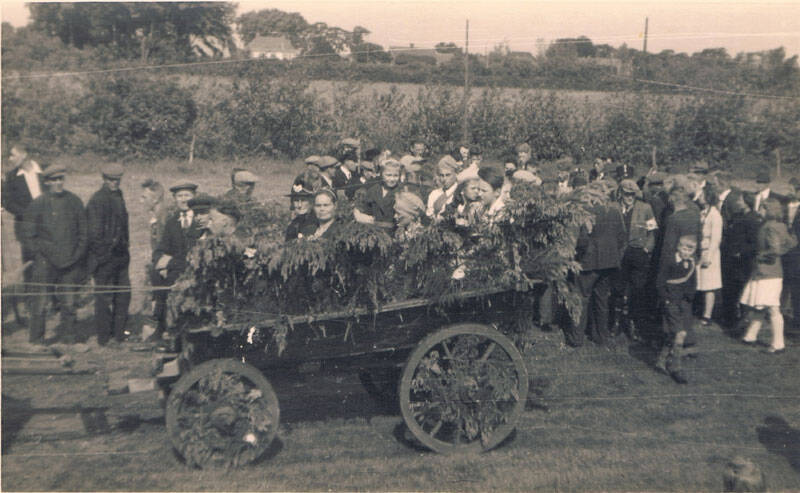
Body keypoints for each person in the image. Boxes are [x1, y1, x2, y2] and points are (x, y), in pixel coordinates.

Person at [20, 166, 87, 346]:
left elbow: (83, 233)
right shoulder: (38, 204)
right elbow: (28, 235)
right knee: (40, 303)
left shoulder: (74, 201)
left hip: (70, 262)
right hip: (45, 263)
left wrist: (76, 255)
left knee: (69, 302)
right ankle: (37, 341)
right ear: (47, 182)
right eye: (54, 180)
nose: (58, 183)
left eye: (61, 179)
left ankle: (69, 338)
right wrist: (42, 254)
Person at [566, 181, 627, 347]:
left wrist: (575, 256)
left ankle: (576, 338)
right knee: (602, 300)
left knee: (580, 298)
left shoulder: (584, 212)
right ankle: (601, 336)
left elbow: (582, 240)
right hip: (609, 263)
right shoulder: (614, 211)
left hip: (587, 262)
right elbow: (622, 237)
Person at [740, 198, 797, 354]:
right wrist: (780, 251)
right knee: (761, 306)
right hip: (769, 272)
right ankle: (750, 336)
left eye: (762, 208)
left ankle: (778, 344)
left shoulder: (770, 227)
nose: (759, 211)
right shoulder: (780, 225)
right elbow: (792, 242)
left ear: (769, 210)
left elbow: (775, 249)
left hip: (768, 273)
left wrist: (761, 256)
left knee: (772, 308)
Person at [86, 163, 130, 346]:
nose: (114, 183)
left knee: (123, 294)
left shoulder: (119, 195)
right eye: (111, 180)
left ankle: (119, 334)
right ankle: (104, 337)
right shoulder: (97, 200)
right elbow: (93, 233)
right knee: (104, 297)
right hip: (105, 257)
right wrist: (103, 255)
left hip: (121, 255)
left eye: (117, 180)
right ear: (104, 179)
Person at [151, 182, 202, 340]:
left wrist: (170, 263)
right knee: (158, 277)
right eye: (180, 196)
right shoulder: (172, 222)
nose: (183, 199)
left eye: (187, 195)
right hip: (176, 271)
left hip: (196, 270)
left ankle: (179, 331)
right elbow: (161, 249)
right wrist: (161, 264)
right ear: (174, 199)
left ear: (194, 197)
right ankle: (163, 327)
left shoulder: (201, 220)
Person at [609, 179, 658, 340]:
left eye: (632, 194)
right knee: (617, 289)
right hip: (619, 254)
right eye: (626, 194)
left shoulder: (645, 208)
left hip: (638, 253)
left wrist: (646, 249)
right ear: (620, 194)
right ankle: (616, 322)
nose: (629, 197)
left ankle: (633, 324)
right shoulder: (613, 207)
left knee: (637, 290)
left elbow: (652, 233)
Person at [655, 235, 698, 383]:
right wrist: (665, 299)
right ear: (679, 247)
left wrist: (689, 297)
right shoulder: (669, 261)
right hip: (670, 302)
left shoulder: (691, 263)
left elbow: (692, 283)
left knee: (673, 333)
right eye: (684, 249)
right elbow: (660, 282)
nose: (686, 252)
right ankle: (675, 368)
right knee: (680, 334)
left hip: (683, 304)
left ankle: (661, 360)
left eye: (690, 250)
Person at [720, 191, 762, 330]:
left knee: (740, 290)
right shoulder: (738, 216)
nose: (738, 202)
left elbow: (754, 243)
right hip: (730, 259)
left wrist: (741, 252)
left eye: (740, 200)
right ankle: (729, 318)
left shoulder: (753, 219)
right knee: (729, 289)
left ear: (747, 202)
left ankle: (739, 321)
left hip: (742, 262)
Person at [2, 144, 44, 280]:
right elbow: (7, 202)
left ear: (24, 154)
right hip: (26, 227)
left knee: (50, 261)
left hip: (49, 224)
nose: (10, 159)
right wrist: (28, 213)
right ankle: (30, 292)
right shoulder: (11, 177)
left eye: (13, 155)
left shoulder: (44, 170)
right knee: (29, 264)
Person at [696, 183, 723, 326]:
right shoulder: (703, 212)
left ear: (708, 197)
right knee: (701, 282)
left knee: (709, 285)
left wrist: (709, 257)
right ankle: (700, 310)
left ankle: (707, 315)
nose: (699, 197)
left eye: (701, 195)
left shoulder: (715, 215)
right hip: (701, 251)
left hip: (709, 253)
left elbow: (716, 239)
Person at [354, 159, 401, 228]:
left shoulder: (401, 192)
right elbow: (363, 208)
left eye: (396, 176)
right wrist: (362, 216)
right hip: (373, 229)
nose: (392, 179)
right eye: (388, 175)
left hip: (394, 230)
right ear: (382, 175)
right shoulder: (374, 190)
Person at [285, 172, 319, 241]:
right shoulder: (293, 225)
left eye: (303, 200)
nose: (299, 205)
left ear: (311, 202)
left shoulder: (317, 222)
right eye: (296, 200)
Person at [426, 156, 459, 220]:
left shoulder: (460, 192)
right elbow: (430, 215)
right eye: (441, 175)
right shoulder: (434, 194)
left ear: (456, 174)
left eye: (448, 175)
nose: (444, 179)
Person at [141, 179, 168, 253]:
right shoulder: (156, 216)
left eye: (144, 197)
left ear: (156, 198)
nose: (141, 201)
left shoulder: (163, 218)